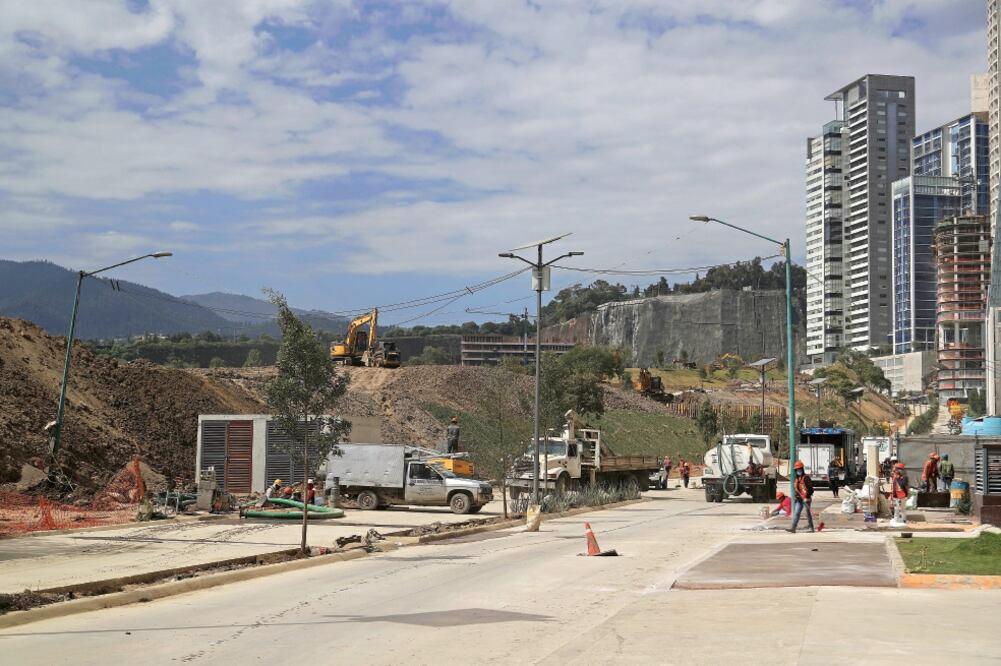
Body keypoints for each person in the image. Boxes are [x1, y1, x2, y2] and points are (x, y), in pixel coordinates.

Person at [787, 460, 814, 533]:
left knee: (807, 513)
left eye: (799, 469)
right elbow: (797, 490)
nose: (798, 471)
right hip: (799, 499)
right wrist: (796, 497)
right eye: (797, 470)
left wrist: (807, 497)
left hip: (806, 499)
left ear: (802, 469)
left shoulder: (806, 478)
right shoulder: (796, 479)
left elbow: (811, 489)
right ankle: (793, 528)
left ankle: (811, 527)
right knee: (797, 512)